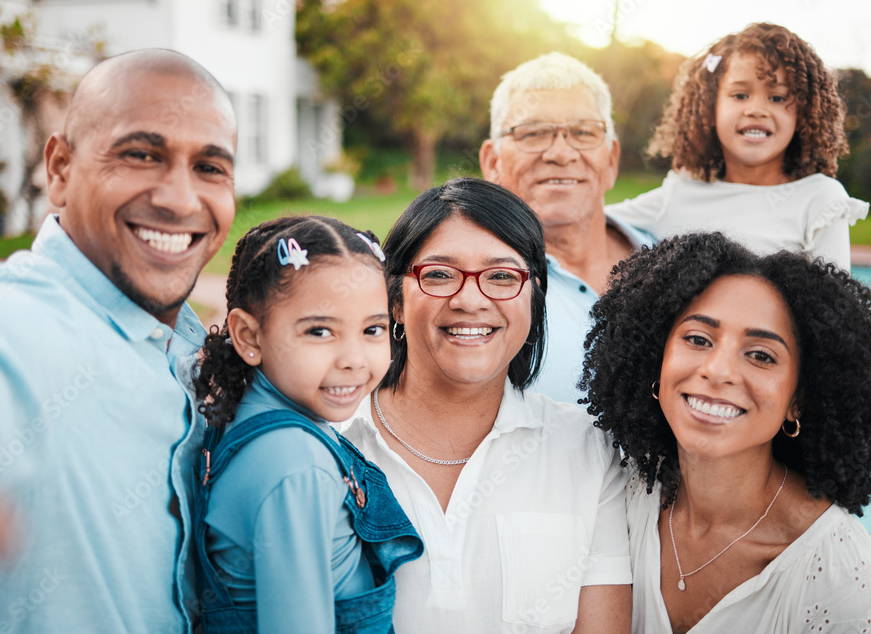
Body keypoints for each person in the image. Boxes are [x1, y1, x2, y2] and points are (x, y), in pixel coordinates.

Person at [0, 49, 237, 632]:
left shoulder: (202, 347)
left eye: (210, 168)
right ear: (60, 169)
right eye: (141, 155)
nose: (179, 198)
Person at [343, 177, 633, 633]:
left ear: (535, 301)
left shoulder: (589, 453)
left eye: (502, 276)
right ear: (394, 301)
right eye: (438, 274)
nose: (471, 299)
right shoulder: (331, 442)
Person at [582, 232, 871, 633]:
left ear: (798, 399)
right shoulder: (618, 491)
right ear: (656, 360)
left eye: (760, 355)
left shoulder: (844, 579)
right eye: (698, 339)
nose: (717, 371)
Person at [191, 216, 423, 633]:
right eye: (319, 331)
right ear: (248, 336)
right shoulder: (297, 465)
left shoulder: (252, 417)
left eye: (373, 329)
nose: (353, 358)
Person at [608, 22, 867, 270]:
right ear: (710, 108)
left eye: (777, 97)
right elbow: (590, 220)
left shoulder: (820, 200)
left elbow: (836, 309)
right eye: (739, 95)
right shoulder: (678, 194)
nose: (756, 110)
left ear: (803, 114)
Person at [479, 52, 653, 404]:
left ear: (612, 161)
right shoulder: (473, 289)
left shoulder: (675, 259)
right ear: (492, 162)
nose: (560, 153)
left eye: (583, 132)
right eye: (533, 133)